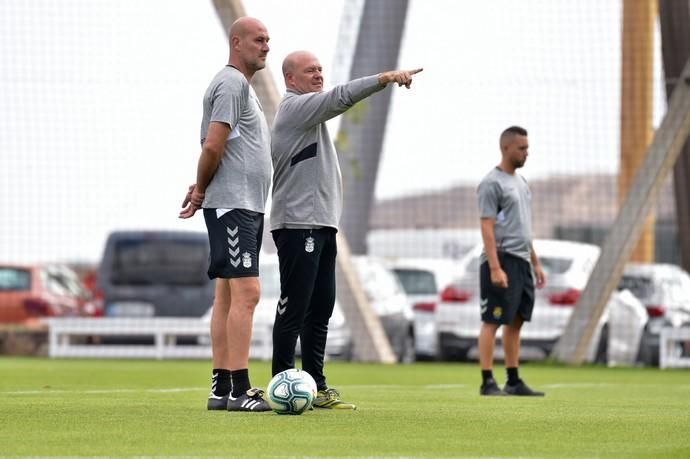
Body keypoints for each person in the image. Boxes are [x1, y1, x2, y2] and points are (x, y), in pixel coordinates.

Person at [269, 50, 422, 409]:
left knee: (320, 308)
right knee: (295, 307)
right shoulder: (294, 108)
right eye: (310, 71)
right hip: (298, 225)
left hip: (321, 226)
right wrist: (383, 78)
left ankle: (316, 386)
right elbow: (340, 98)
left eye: (320, 69)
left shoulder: (310, 116)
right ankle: (281, 383)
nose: (318, 75)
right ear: (291, 79)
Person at [179, 17, 272, 412]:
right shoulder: (232, 83)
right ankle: (239, 389)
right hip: (233, 206)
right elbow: (212, 146)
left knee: (227, 295)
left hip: (240, 204)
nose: (266, 46)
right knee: (248, 293)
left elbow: (219, 149)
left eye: (268, 40)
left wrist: (204, 186)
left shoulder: (239, 87)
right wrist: (202, 189)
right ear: (237, 43)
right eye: (258, 40)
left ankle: (220, 388)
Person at [476, 126, 546, 396]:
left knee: (516, 321)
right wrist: (495, 267)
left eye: (527, 148)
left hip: (521, 261)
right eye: (522, 148)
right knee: (492, 320)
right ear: (506, 148)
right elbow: (487, 227)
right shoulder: (491, 183)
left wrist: (535, 262)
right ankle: (487, 381)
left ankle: (513, 380)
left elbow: (524, 227)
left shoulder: (522, 183)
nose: (526, 153)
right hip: (501, 259)